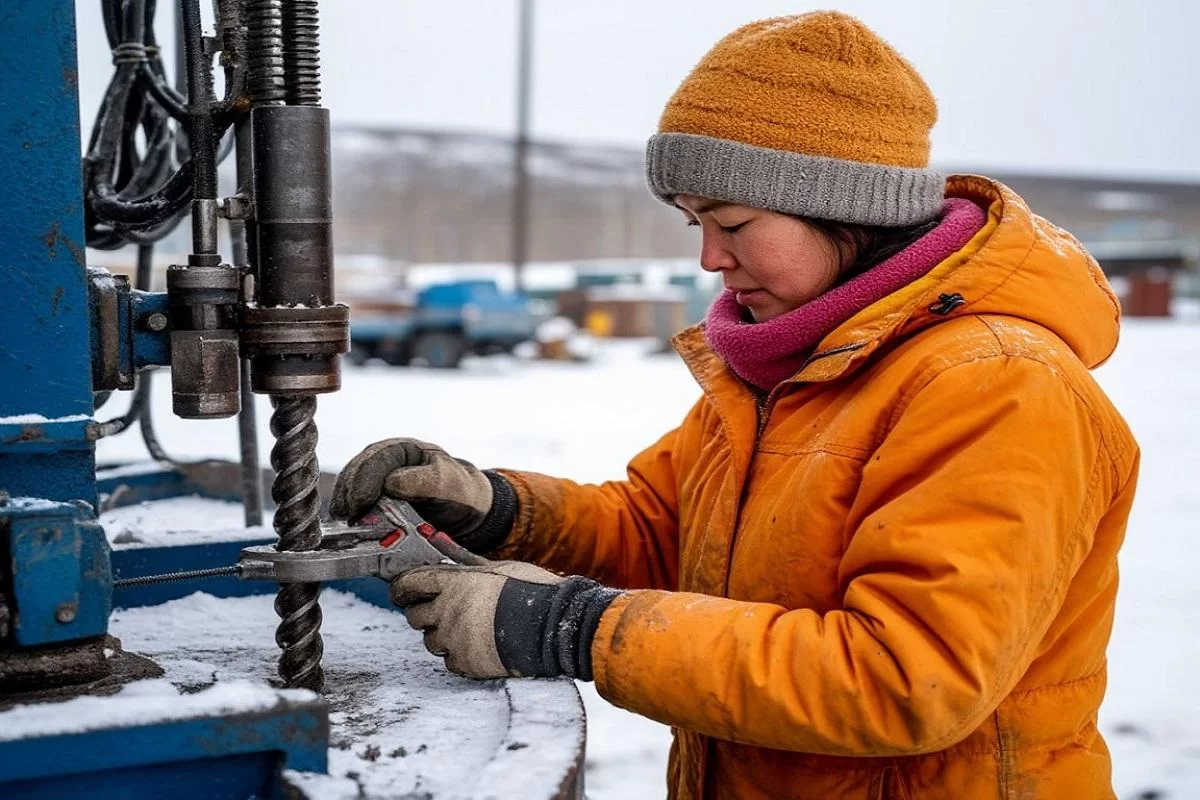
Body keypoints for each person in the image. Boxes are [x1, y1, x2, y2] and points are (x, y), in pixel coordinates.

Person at [331, 11, 1139, 799]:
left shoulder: (996, 384)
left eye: (733, 223)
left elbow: (906, 678)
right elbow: (659, 529)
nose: (710, 257)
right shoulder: (787, 367)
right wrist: (496, 508)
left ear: (848, 209)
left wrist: (571, 628)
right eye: (694, 222)